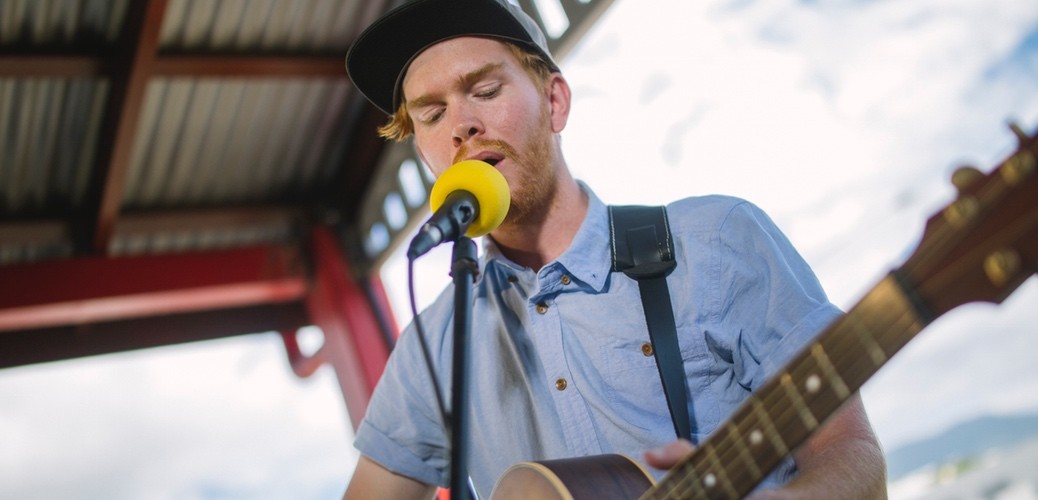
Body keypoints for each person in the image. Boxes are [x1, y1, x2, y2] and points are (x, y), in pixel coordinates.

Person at [343, 0, 887, 498]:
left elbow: (851, 452)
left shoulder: (716, 242)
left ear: (555, 103)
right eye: (432, 115)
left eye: (484, 91)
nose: (462, 125)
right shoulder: (430, 348)